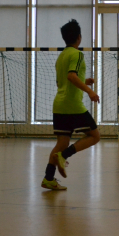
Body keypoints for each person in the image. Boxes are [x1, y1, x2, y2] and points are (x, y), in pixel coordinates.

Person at [41, 19, 101, 191]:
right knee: (95, 136)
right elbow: (71, 76)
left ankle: (48, 178)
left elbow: (62, 81)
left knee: (62, 142)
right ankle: (64, 156)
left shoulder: (61, 57)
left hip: (59, 105)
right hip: (72, 105)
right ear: (79, 37)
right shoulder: (77, 54)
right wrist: (89, 91)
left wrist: (84, 81)